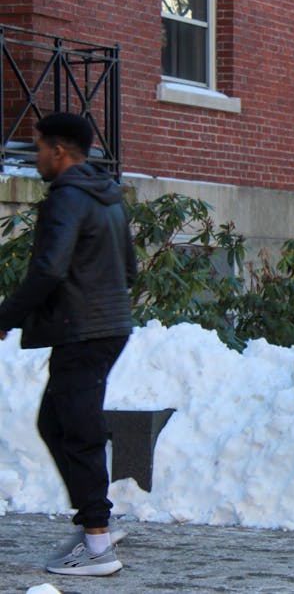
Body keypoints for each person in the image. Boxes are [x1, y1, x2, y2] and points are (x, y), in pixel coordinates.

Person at [0, 112, 136, 576]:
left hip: (84, 328)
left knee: (75, 429)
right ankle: (97, 523)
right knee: (59, 423)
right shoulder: (108, 196)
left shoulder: (66, 198)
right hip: (107, 324)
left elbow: (49, 269)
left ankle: (98, 545)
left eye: (38, 148)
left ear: (59, 152)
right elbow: (130, 269)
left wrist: (6, 317)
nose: (35, 158)